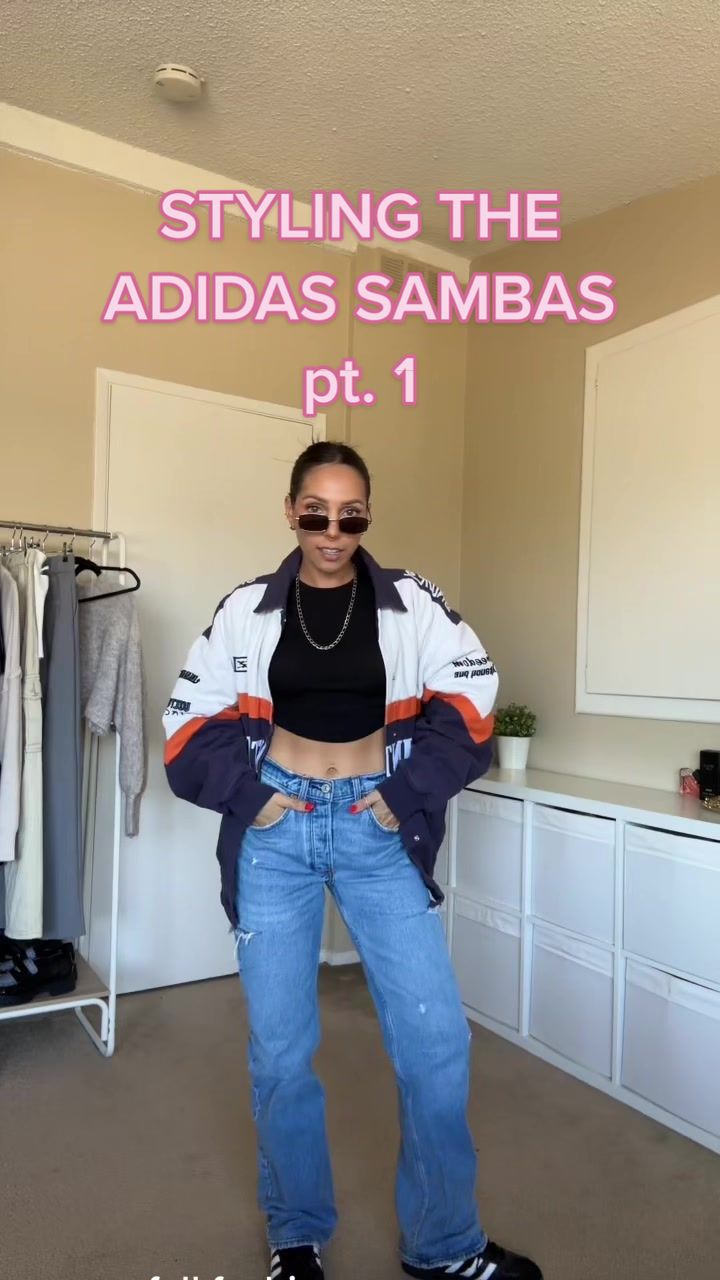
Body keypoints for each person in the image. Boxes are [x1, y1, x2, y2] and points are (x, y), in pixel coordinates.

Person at [163, 442, 542, 1280]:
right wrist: (248, 794)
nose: (332, 532)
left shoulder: (412, 602)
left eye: (351, 516)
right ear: (290, 511)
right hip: (276, 834)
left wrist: (408, 793)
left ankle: (443, 1245)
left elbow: (472, 705)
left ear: (367, 517)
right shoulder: (244, 608)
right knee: (280, 1051)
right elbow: (186, 723)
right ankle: (296, 1236)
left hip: (379, 830)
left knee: (436, 1041)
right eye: (316, 513)